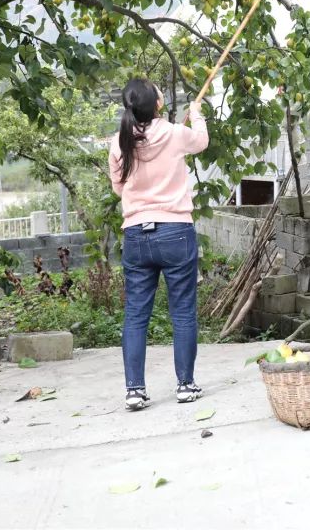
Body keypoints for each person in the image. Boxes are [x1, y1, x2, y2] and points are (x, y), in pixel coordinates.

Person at [109, 79, 208, 411]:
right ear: (157, 104)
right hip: (176, 231)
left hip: (136, 234)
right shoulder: (176, 134)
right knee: (182, 311)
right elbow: (202, 141)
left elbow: (119, 190)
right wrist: (197, 114)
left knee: (136, 314)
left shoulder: (118, 142)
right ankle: (185, 385)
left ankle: (135, 391)